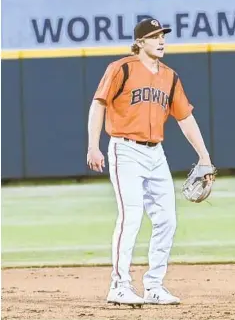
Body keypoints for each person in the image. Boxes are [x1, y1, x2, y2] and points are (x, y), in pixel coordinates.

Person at [86, 18, 213, 306]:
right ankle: (119, 285)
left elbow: (185, 118)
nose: (161, 40)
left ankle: (154, 286)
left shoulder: (170, 76)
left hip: (156, 153)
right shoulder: (122, 68)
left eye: (163, 35)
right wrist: (94, 146)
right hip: (125, 149)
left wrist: (204, 157)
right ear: (140, 42)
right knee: (131, 216)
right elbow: (98, 104)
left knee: (167, 218)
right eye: (154, 36)